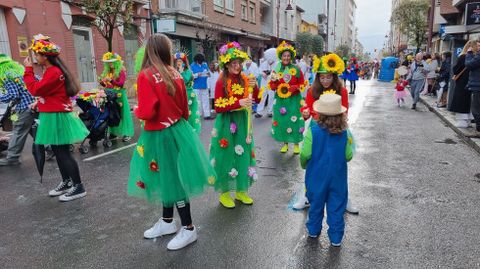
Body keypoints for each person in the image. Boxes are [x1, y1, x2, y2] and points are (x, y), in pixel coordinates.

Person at [127, 34, 216, 250]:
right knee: (169, 177)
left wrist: (136, 109)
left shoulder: (146, 75)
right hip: (177, 129)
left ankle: (188, 227)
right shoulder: (175, 72)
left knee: (172, 180)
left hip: (159, 133)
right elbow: (185, 109)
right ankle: (168, 222)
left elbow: (148, 111)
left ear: (148, 51)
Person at [24, 34, 89, 201]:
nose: (35, 57)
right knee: (58, 151)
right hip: (52, 114)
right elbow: (51, 94)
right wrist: (39, 104)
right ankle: (67, 182)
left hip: (57, 116)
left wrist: (28, 71)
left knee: (62, 152)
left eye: (37, 54)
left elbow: (36, 89)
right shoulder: (51, 70)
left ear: (44, 56)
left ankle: (78, 186)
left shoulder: (53, 71)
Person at [295, 53, 358, 214]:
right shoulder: (312, 90)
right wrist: (305, 112)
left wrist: (335, 122)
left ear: (334, 76)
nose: (324, 81)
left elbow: (344, 112)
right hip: (317, 131)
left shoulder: (342, 91)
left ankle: (344, 198)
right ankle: (307, 195)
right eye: (321, 77)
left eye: (328, 77)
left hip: (337, 131)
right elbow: (307, 108)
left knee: (338, 166)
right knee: (313, 165)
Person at [209, 41, 259, 209]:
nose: (237, 66)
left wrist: (256, 87)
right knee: (225, 155)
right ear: (227, 64)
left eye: (239, 63)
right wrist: (238, 102)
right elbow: (217, 106)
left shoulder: (246, 79)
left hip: (243, 123)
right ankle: (224, 192)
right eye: (234, 63)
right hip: (226, 122)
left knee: (243, 155)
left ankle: (241, 190)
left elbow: (255, 100)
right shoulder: (221, 81)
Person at [300, 93, 354, 246]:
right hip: (338, 178)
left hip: (316, 176)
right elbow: (348, 155)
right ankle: (336, 238)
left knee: (316, 204)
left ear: (320, 114)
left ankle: (313, 230)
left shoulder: (313, 132)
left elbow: (305, 154)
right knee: (336, 206)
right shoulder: (345, 133)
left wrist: (304, 165)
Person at [269, 41, 305, 154]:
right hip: (281, 100)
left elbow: (302, 84)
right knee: (283, 121)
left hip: (294, 100)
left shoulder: (297, 69)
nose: (286, 57)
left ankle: (296, 144)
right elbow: (271, 85)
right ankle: (285, 143)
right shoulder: (276, 69)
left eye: (288, 56)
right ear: (281, 56)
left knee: (295, 121)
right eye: (284, 55)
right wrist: (275, 84)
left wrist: (295, 87)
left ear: (291, 57)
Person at [0, 54, 35, 166]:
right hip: (34, 104)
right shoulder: (19, 73)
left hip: (24, 107)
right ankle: (51, 148)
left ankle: (12, 157)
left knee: (18, 131)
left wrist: (1, 97)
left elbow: (14, 95)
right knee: (35, 130)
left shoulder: (6, 76)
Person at [99, 52, 134, 142]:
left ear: (116, 62)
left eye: (112, 62)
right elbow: (107, 85)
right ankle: (113, 133)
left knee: (122, 113)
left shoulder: (121, 71)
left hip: (120, 95)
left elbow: (121, 84)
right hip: (111, 95)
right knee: (113, 114)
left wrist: (111, 80)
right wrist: (102, 82)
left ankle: (126, 133)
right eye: (108, 63)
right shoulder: (109, 72)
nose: (110, 64)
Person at [449, 41, 475, 128]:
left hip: (462, 82)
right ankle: (468, 120)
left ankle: (462, 121)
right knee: (470, 101)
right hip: (472, 82)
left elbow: (456, 70)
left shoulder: (463, 56)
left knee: (460, 101)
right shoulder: (476, 57)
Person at [174, 52, 201, 134]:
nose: (179, 63)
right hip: (179, 94)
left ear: (184, 63)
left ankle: (192, 129)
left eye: (180, 61)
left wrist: (181, 72)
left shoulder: (188, 71)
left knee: (190, 113)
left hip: (188, 94)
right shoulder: (174, 71)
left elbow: (185, 80)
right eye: (177, 61)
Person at [465, 39, 480, 138]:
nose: (478, 47)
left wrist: (469, 53)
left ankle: (479, 131)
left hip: (477, 85)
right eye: (478, 45)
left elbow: (469, 65)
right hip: (476, 84)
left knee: (476, 109)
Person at [191, 53, 211, 119]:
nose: (201, 62)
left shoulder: (205, 65)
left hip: (204, 85)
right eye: (200, 61)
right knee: (198, 101)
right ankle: (199, 114)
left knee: (206, 100)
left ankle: (207, 115)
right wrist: (197, 74)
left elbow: (209, 72)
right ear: (196, 60)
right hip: (196, 86)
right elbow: (191, 76)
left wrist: (208, 74)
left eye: (202, 61)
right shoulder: (192, 66)